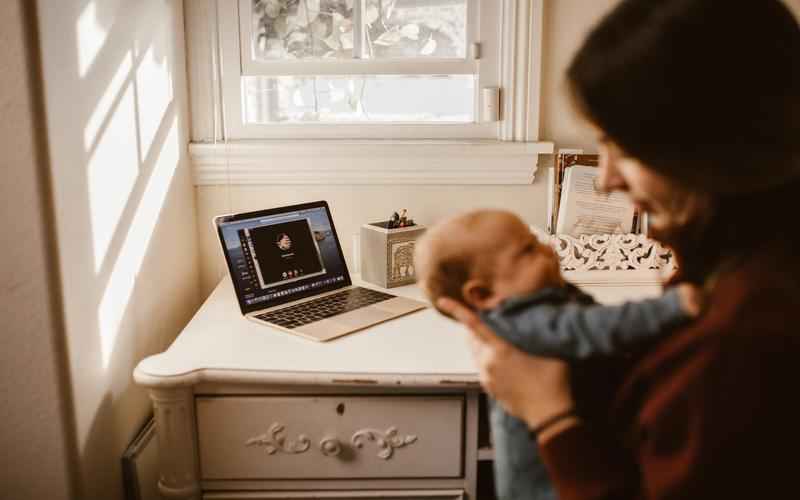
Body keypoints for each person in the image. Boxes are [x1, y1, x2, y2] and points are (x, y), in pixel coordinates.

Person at [437, 0, 800, 498]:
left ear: (711, 150)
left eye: (624, 150)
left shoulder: (746, 331)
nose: (604, 180)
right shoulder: (731, 257)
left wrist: (549, 415)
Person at [415, 209, 702, 500]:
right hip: (548, 484)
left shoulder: (536, 302)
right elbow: (593, 327)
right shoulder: (522, 320)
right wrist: (669, 308)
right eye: (528, 250)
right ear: (483, 295)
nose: (548, 248)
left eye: (536, 240)